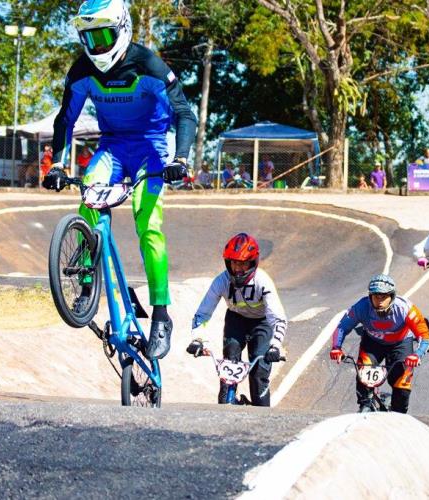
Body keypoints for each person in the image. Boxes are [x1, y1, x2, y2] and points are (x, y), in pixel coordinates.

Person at [42, 0, 197, 360]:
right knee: (88, 205)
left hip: (151, 150)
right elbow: (64, 120)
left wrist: (181, 159)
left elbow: (184, 113)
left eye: (103, 35)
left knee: (149, 224)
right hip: (111, 150)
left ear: (123, 28)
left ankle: (161, 314)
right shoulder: (81, 71)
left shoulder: (149, 64)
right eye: (89, 38)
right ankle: (87, 284)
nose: (96, 46)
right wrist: (57, 165)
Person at [190, 233, 287, 406]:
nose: (238, 269)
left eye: (243, 264)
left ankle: (263, 418)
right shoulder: (221, 281)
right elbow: (203, 313)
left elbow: (278, 318)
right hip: (236, 320)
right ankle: (226, 405)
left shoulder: (262, 282)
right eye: (234, 263)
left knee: (259, 371)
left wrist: (275, 345)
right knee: (228, 365)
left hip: (262, 323)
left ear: (252, 263)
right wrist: (198, 339)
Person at [329, 274, 429, 414]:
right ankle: (365, 405)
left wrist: (417, 354)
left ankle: (399, 418)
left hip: (401, 344)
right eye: (376, 296)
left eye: (384, 296)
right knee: (363, 374)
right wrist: (336, 348)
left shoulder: (406, 309)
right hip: (372, 343)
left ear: (392, 296)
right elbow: (342, 327)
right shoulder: (361, 307)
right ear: (370, 296)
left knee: (402, 384)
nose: (379, 301)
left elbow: (424, 335)